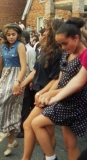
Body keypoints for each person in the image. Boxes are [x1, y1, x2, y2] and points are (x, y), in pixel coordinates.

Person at [32, 18, 87, 160]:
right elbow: (62, 80)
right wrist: (47, 93)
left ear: (76, 38)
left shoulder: (84, 55)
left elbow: (78, 84)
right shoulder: (66, 54)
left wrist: (52, 96)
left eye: (65, 43)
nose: (63, 47)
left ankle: (50, 158)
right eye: (60, 44)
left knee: (36, 123)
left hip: (73, 101)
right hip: (64, 97)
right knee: (70, 144)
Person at [21, 19, 63, 160]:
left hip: (47, 94)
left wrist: (43, 93)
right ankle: (48, 157)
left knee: (29, 124)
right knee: (48, 131)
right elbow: (35, 71)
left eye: (46, 29)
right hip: (40, 92)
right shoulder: (45, 49)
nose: (43, 32)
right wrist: (21, 84)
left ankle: (29, 158)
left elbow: (56, 78)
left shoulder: (58, 52)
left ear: (53, 32)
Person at [0, 23, 26, 156]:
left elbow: (24, 67)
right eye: (8, 34)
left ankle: (7, 135)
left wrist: (18, 83)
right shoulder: (2, 46)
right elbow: (0, 67)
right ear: (5, 35)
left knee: (10, 109)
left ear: (18, 34)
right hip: (4, 77)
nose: (11, 37)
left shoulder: (20, 46)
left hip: (16, 78)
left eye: (13, 34)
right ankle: (11, 140)